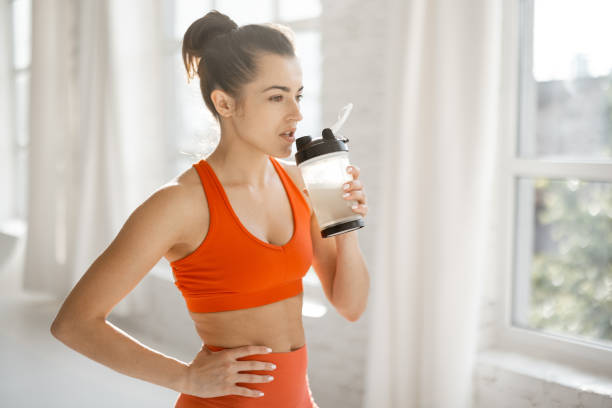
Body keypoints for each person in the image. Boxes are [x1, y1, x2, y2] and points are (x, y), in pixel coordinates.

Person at [50, 10, 370, 408]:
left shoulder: (303, 182)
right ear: (225, 103)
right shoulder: (178, 204)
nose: (297, 113)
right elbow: (74, 324)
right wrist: (186, 378)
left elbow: (350, 306)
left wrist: (346, 225)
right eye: (276, 97)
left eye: (297, 94)